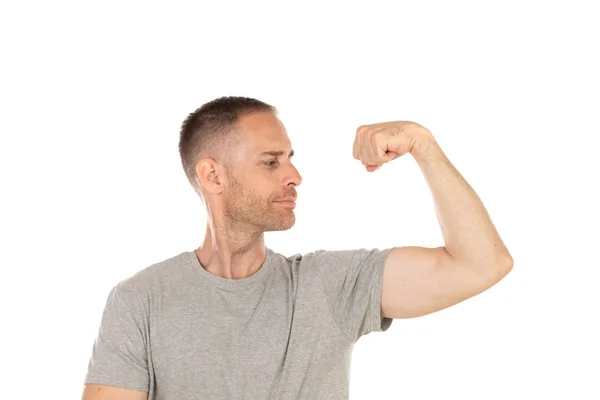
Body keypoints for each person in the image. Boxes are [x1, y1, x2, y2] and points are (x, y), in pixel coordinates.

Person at [81, 96, 513, 400]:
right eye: (271, 162)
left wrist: (423, 145)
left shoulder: (329, 285)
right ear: (213, 176)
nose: (295, 175)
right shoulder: (141, 300)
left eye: (289, 158)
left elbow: (482, 264)